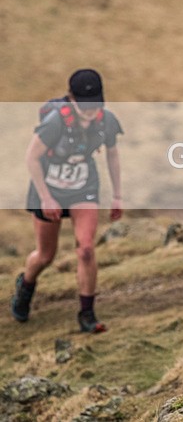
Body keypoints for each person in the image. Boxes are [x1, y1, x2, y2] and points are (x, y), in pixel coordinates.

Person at [12, 69, 123, 333]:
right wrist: (46, 197)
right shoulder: (54, 122)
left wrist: (117, 195)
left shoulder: (106, 121)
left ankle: (87, 314)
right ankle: (26, 286)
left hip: (83, 188)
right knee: (45, 255)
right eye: (84, 107)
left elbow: (113, 156)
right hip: (48, 188)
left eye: (95, 105)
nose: (90, 112)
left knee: (86, 249)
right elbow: (32, 158)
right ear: (71, 99)